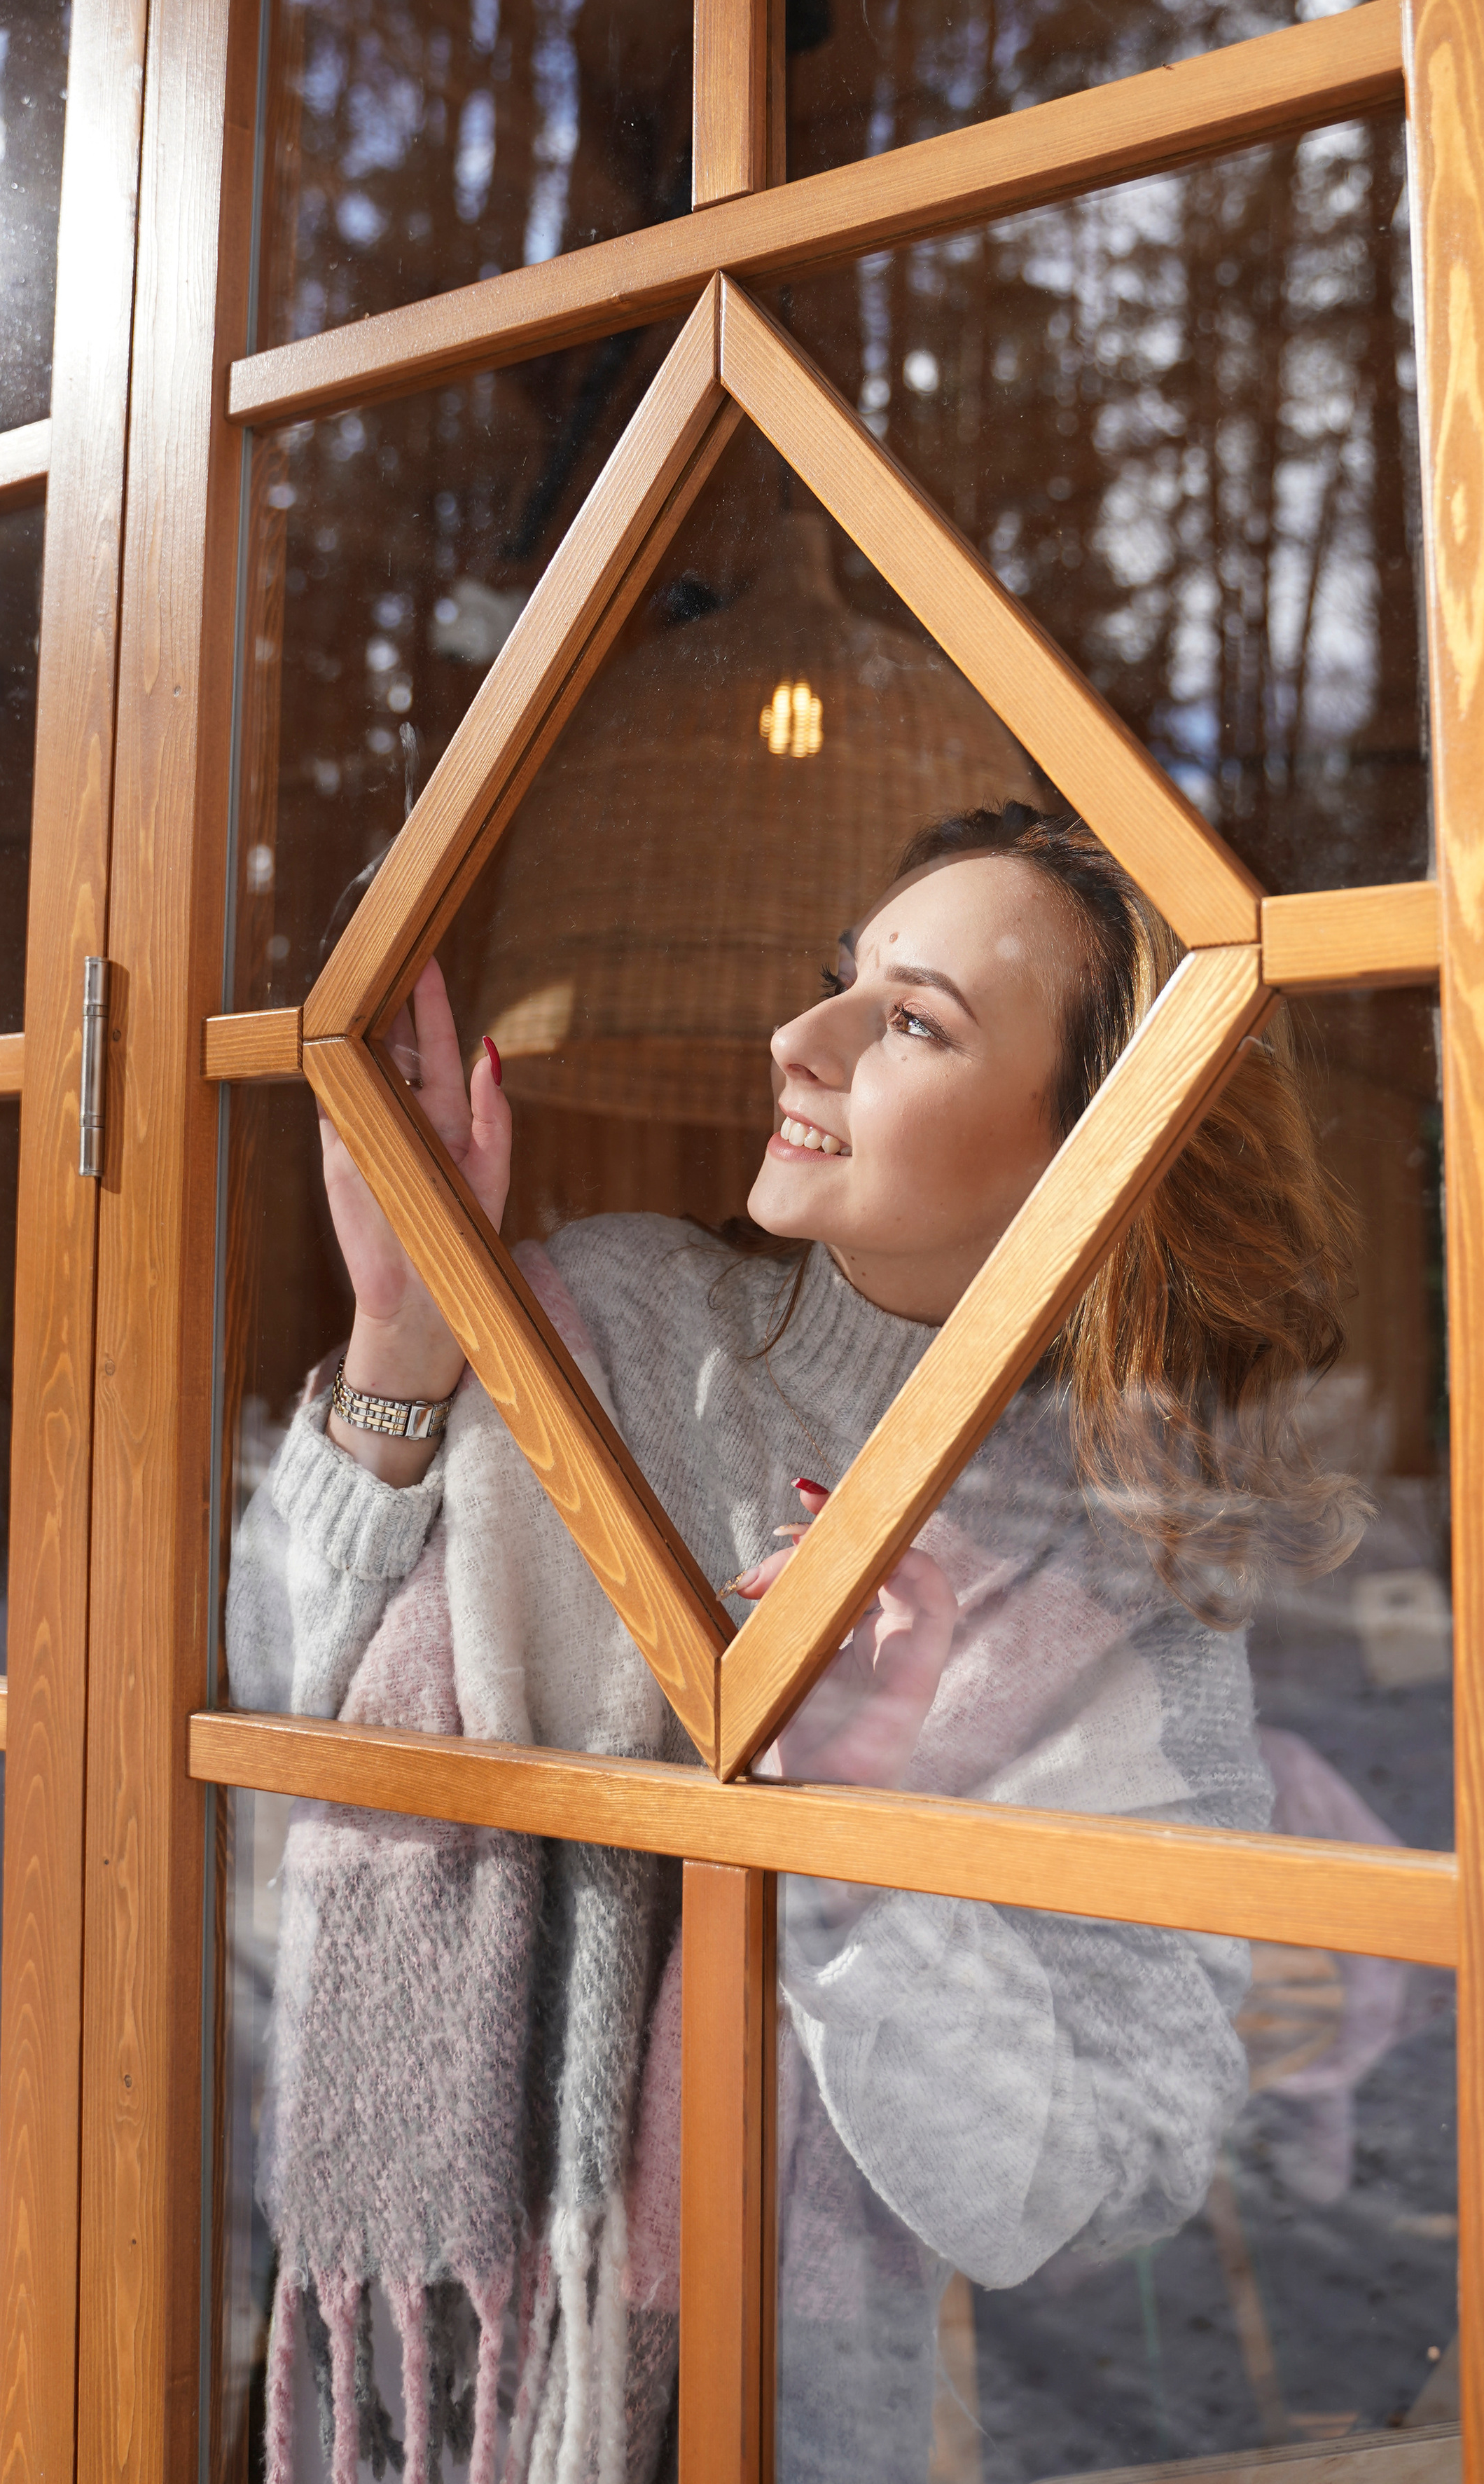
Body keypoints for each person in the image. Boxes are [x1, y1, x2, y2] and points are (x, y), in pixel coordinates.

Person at [228, 803, 1367, 2484]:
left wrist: (852, 1836)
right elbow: (268, 1708)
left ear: (1085, 1150)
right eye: (840, 980)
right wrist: (399, 1341)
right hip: (431, 2385)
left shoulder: (1121, 1604)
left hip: (793, 2410)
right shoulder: (595, 1326)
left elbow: (1096, 2174)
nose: (798, 1039)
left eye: (908, 1022)